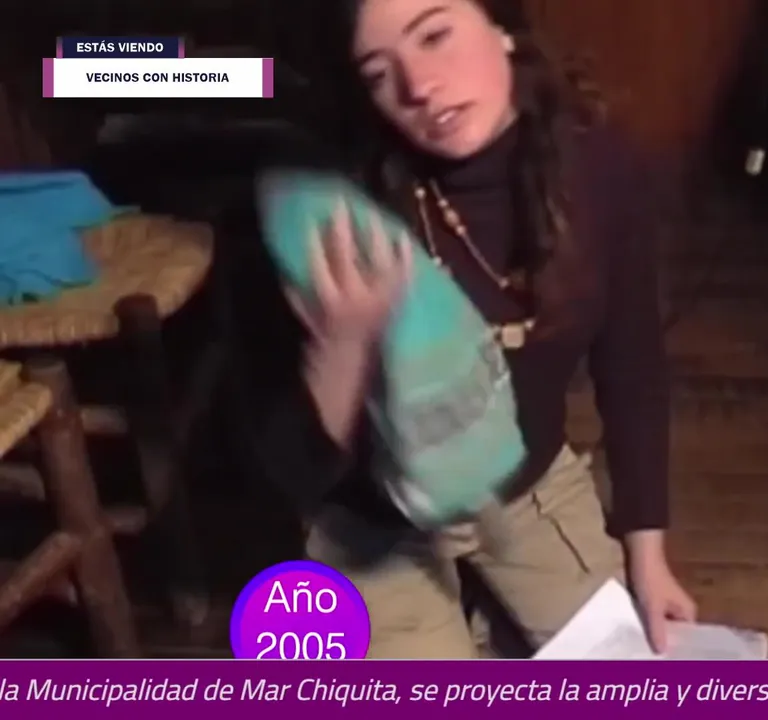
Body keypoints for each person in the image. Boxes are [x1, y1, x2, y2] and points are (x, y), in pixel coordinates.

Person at [245, 0, 695, 658]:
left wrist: (648, 557)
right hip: (375, 527)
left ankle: (488, 617)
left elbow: (633, 369)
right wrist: (341, 347)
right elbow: (289, 472)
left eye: (435, 35)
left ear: (501, 25)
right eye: (379, 73)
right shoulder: (329, 205)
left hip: (526, 487)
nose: (420, 87)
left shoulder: (602, 165)